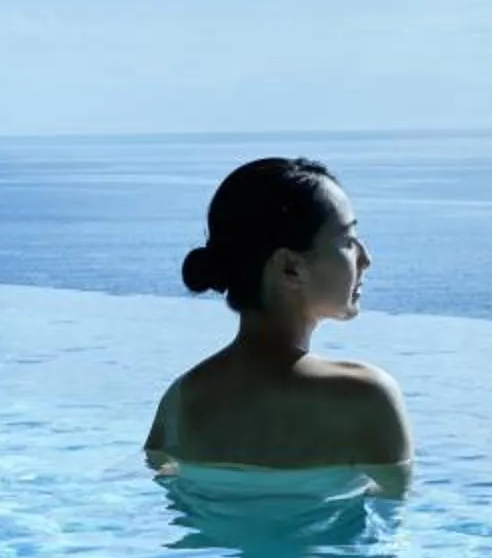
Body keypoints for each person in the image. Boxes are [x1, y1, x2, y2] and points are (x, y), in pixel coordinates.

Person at [146, 157, 413, 494]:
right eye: (347, 240)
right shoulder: (366, 397)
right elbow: (392, 516)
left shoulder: (182, 399)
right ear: (290, 268)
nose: (365, 258)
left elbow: (166, 486)